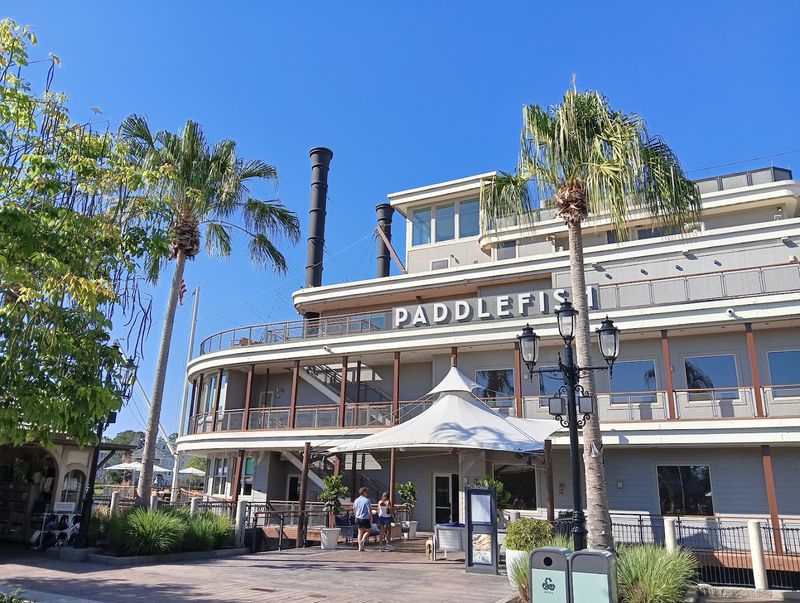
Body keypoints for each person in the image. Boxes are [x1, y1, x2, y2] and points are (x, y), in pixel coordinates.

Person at [353, 487, 372, 552]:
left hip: (358, 518)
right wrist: (371, 517)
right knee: (368, 531)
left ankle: (360, 547)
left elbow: (354, 508)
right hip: (365, 518)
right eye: (366, 492)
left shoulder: (356, 500)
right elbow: (369, 510)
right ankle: (363, 540)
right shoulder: (367, 500)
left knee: (360, 532)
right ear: (364, 492)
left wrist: (355, 515)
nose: (367, 493)